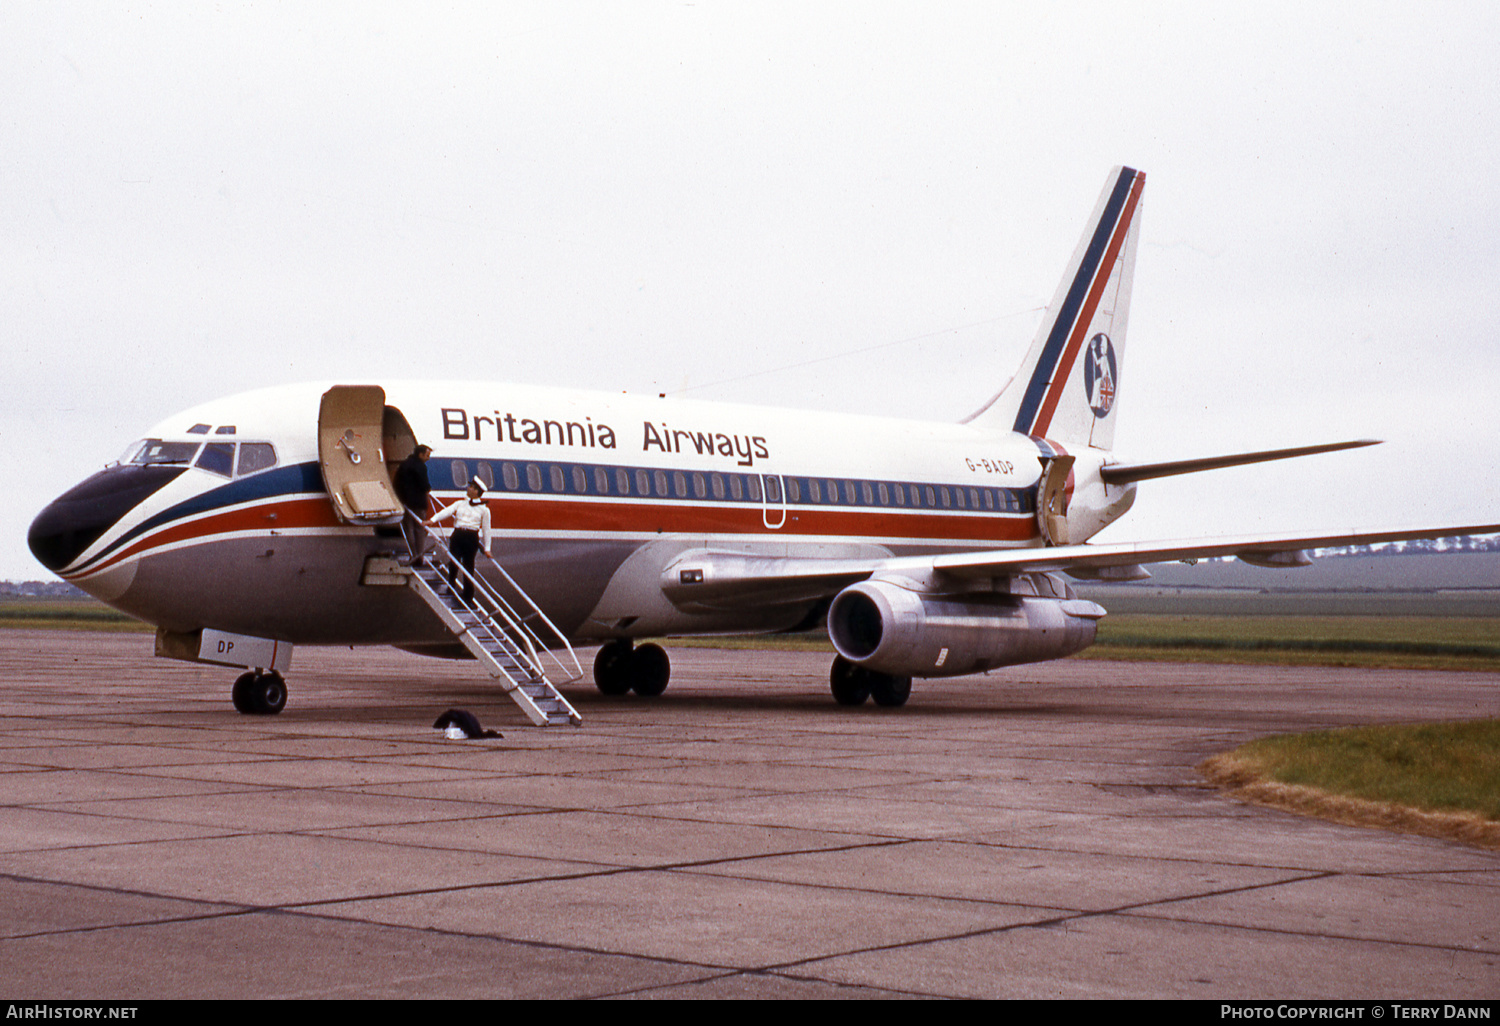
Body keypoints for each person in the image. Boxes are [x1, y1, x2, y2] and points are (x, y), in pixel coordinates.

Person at [425, 478, 492, 603]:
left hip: (471, 537)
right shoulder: (460, 503)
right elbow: (446, 512)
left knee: (468, 566)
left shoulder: (484, 510)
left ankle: (467, 595)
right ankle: (450, 586)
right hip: (458, 535)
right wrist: (432, 520)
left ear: (477, 491)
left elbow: (487, 530)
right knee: (453, 562)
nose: (468, 488)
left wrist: (487, 548)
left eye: (471, 487)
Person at [392, 444, 432, 564]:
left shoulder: (404, 465)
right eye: (427, 455)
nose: (428, 458)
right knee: (419, 529)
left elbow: (396, 484)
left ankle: (412, 553)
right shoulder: (420, 466)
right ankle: (419, 556)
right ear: (420, 454)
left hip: (406, 503)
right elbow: (425, 485)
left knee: (408, 528)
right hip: (418, 503)